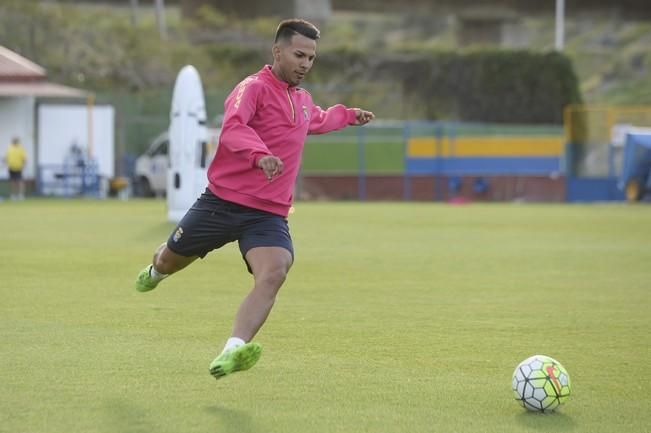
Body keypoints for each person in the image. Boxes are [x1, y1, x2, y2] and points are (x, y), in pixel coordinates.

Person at [134, 18, 375, 380]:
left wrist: (347, 116)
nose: (306, 64)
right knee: (168, 262)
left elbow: (317, 119)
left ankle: (233, 349)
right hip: (221, 203)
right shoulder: (253, 88)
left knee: (275, 271)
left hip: (267, 215)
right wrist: (259, 155)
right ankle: (154, 271)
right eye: (299, 55)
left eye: (311, 58)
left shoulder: (304, 100)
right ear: (277, 51)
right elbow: (233, 128)